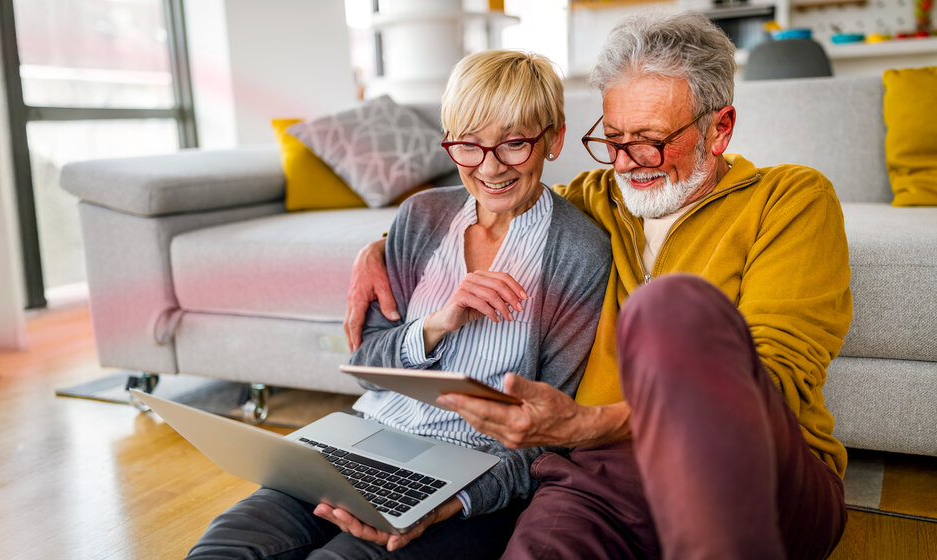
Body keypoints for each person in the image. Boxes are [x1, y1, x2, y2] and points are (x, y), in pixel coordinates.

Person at [344, 11, 852, 560]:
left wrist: (589, 422)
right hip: (601, 476)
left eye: (652, 141)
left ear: (720, 128)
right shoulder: (594, 199)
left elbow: (772, 383)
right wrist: (381, 246)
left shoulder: (788, 200)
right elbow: (492, 203)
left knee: (668, 305)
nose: (629, 163)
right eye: (613, 139)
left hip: (752, 470)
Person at [186, 50, 611, 560]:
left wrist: (453, 501)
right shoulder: (422, 216)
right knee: (225, 548)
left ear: (555, 138)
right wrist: (437, 324)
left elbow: (547, 437)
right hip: (362, 440)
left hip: (470, 474)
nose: (490, 167)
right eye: (469, 146)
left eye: (515, 143)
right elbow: (367, 368)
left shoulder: (579, 252)